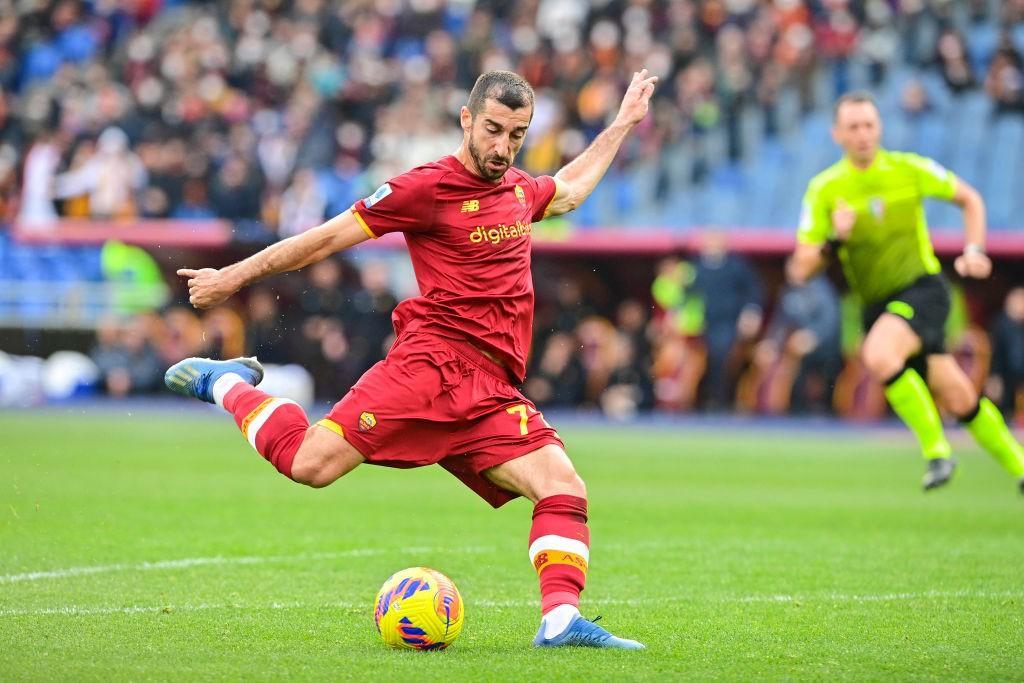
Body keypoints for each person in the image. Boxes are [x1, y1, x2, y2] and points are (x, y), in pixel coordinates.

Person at [164, 70, 657, 649]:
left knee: (562, 485)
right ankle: (226, 385)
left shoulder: (520, 191)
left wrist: (621, 124)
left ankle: (559, 621)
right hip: (429, 368)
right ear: (467, 120)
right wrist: (235, 275)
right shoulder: (424, 189)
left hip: (492, 387)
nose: (503, 148)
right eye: (493, 130)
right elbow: (324, 238)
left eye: (516, 136)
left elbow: (570, 187)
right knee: (308, 465)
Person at [789, 91, 1024, 493]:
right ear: (837, 134)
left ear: (879, 128)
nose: (863, 134)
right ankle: (1021, 470)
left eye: (869, 125)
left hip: (923, 290)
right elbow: (800, 267)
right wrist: (834, 239)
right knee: (960, 397)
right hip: (876, 305)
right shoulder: (825, 189)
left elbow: (970, 198)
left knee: (879, 354)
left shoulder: (908, 169)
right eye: (853, 127)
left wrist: (974, 249)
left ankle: (937, 452)